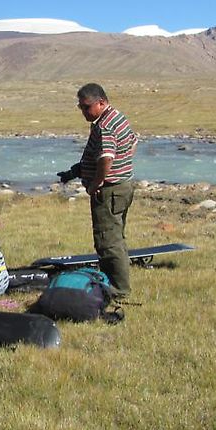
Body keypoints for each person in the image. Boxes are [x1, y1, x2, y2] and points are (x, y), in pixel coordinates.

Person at [58, 83, 138, 301]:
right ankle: (112, 281)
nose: (83, 112)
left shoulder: (106, 127)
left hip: (110, 190)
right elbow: (133, 142)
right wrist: (74, 172)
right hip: (122, 186)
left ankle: (119, 290)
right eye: (81, 107)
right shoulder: (117, 117)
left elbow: (106, 159)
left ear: (101, 102)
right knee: (116, 237)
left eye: (86, 107)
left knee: (108, 241)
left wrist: (96, 183)